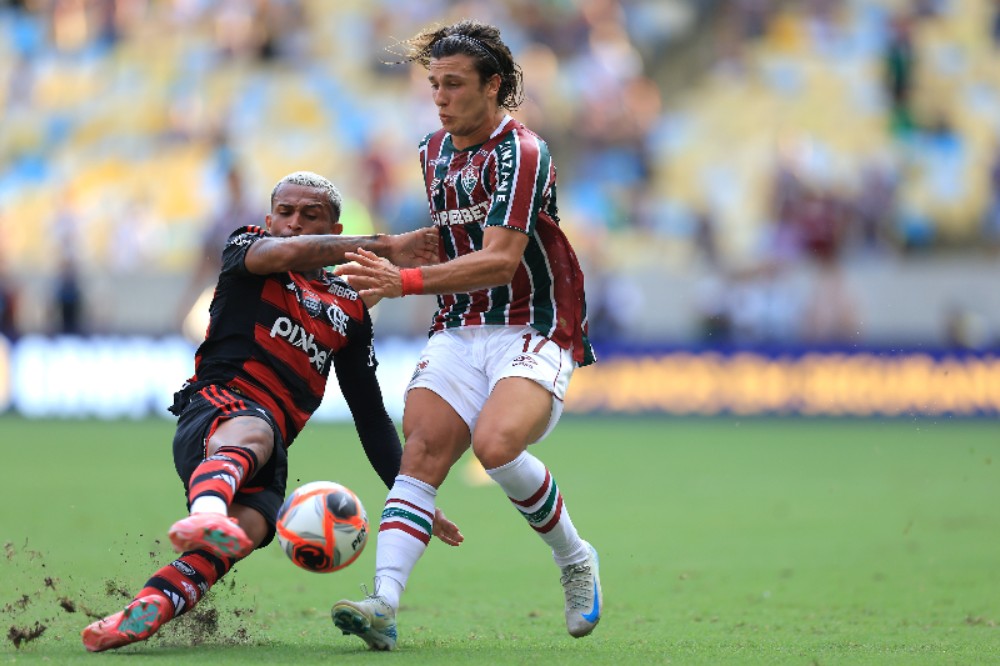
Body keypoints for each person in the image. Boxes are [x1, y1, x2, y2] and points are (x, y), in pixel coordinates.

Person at [80, 171, 462, 653]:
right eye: (285, 213)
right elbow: (282, 254)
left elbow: (370, 418)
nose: (294, 224)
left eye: (310, 216)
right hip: (218, 410)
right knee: (255, 432)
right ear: (268, 219)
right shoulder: (248, 249)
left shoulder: (348, 311)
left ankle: (146, 610)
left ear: (334, 231)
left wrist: (415, 497)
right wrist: (387, 246)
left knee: (247, 531)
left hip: (268, 452)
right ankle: (207, 513)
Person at [331, 19, 602, 651]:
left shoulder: (522, 152)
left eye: (454, 85)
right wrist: (397, 250)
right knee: (422, 450)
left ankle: (575, 558)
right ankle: (382, 604)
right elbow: (451, 238)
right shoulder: (431, 152)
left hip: (533, 324)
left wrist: (404, 280)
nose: (441, 97)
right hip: (460, 325)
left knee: (497, 444)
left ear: (494, 87)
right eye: (434, 85)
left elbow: (500, 259)